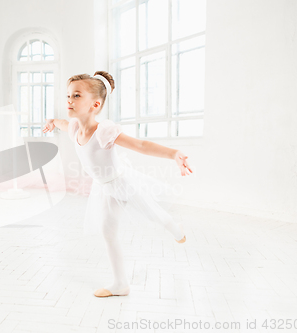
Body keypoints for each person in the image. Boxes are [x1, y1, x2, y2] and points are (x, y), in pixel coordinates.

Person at [42, 71, 193, 298]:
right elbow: (63, 123)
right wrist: (52, 122)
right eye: (68, 96)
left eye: (76, 95)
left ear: (95, 104)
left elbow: (140, 145)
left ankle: (176, 229)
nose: (69, 100)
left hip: (123, 182)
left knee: (153, 213)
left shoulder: (103, 130)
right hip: (104, 187)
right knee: (107, 231)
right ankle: (120, 284)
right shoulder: (75, 128)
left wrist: (174, 154)